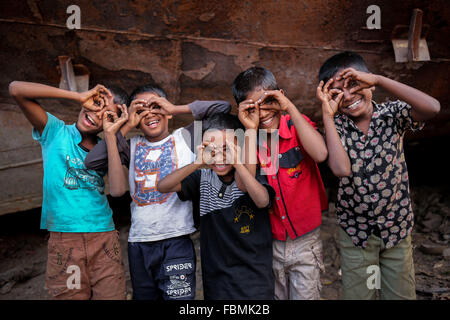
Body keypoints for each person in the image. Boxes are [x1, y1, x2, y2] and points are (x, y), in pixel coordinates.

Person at [84, 83, 231, 300]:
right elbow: (93, 161)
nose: (150, 113)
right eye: (141, 110)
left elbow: (223, 108)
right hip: (139, 243)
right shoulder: (130, 145)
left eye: (155, 106)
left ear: (167, 112)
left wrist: (174, 108)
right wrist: (124, 127)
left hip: (176, 241)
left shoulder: (185, 138)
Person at [316, 51, 440, 299]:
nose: (348, 96)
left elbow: (433, 108)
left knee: (400, 295)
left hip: (396, 228)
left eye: (354, 84)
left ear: (367, 81)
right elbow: (341, 169)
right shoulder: (336, 126)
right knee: (359, 295)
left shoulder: (392, 114)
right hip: (356, 233)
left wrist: (380, 79)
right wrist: (327, 115)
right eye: (337, 92)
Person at [8, 81, 128, 300]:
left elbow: (119, 191)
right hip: (65, 240)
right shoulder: (55, 131)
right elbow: (16, 89)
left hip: (103, 237)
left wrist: (112, 135)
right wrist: (78, 96)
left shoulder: (106, 148)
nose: (96, 114)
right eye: (96, 103)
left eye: (107, 114)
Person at [232, 67, 328, 300]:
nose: (263, 112)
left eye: (269, 102)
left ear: (281, 96)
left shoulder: (297, 126)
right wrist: (250, 129)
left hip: (306, 241)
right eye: (253, 107)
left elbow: (320, 154)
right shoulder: (247, 139)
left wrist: (289, 107)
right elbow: (243, 185)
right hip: (269, 241)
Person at [157, 113, 275, 300]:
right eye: (211, 150)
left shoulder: (253, 173)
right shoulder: (203, 178)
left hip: (254, 281)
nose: (219, 156)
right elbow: (163, 186)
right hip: (217, 282)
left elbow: (262, 201)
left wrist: (238, 162)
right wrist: (197, 163)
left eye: (226, 149)